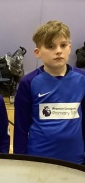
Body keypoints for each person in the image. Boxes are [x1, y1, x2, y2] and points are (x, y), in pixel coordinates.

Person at [14, 20, 85, 164]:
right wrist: (20, 161)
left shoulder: (82, 79)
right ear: (37, 52)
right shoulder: (28, 82)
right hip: (39, 159)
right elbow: (21, 128)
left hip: (75, 159)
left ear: (70, 48)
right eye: (50, 46)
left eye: (63, 45)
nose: (58, 51)